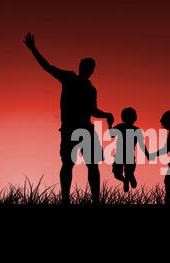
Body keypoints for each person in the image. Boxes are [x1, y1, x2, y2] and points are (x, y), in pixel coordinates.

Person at [24, 33, 114, 205]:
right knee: (78, 165)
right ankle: (75, 199)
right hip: (75, 129)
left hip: (78, 129)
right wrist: (33, 48)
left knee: (79, 165)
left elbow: (93, 110)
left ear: (85, 69)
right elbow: (47, 66)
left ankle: (85, 199)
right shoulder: (71, 79)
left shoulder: (86, 86)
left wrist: (106, 115)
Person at [108, 107, 150, 192]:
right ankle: (126, 180)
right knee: (118, 173)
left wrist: (109, 124)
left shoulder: (131, 129)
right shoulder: (123, 127)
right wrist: (147, 155)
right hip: (122, 155)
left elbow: (142, 144)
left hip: (126, 155)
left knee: (122, 173)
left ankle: (128, 177)